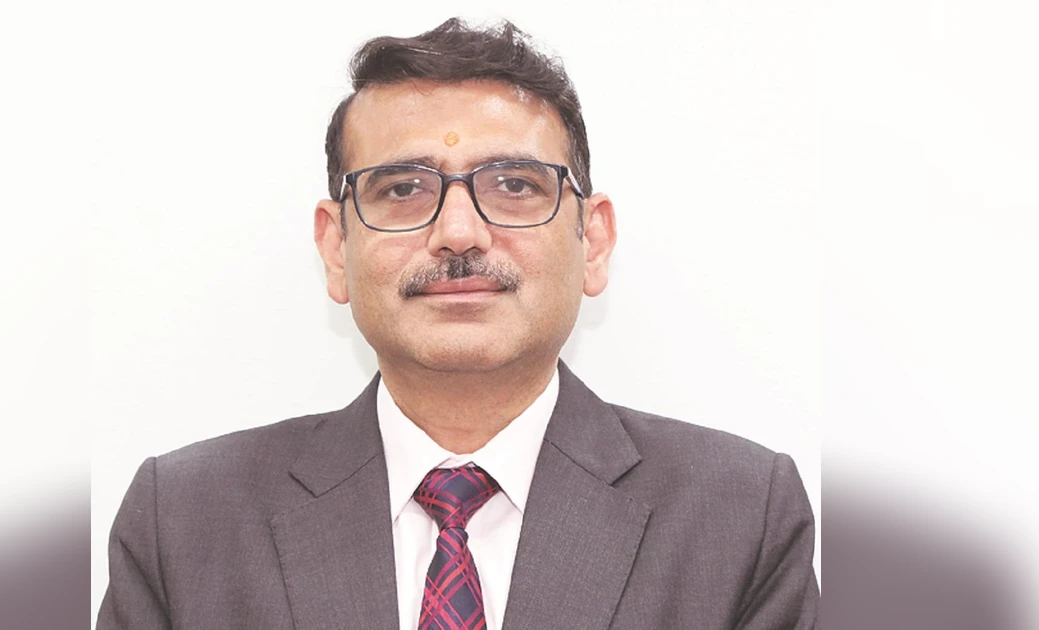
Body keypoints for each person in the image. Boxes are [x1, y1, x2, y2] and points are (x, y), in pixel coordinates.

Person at [96, 17, 819, 630]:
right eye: (403, 189)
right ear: (336, 249)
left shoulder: (741, 518)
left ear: (593, 241)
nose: (460, 233)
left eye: (515, 185)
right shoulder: (183, 521)